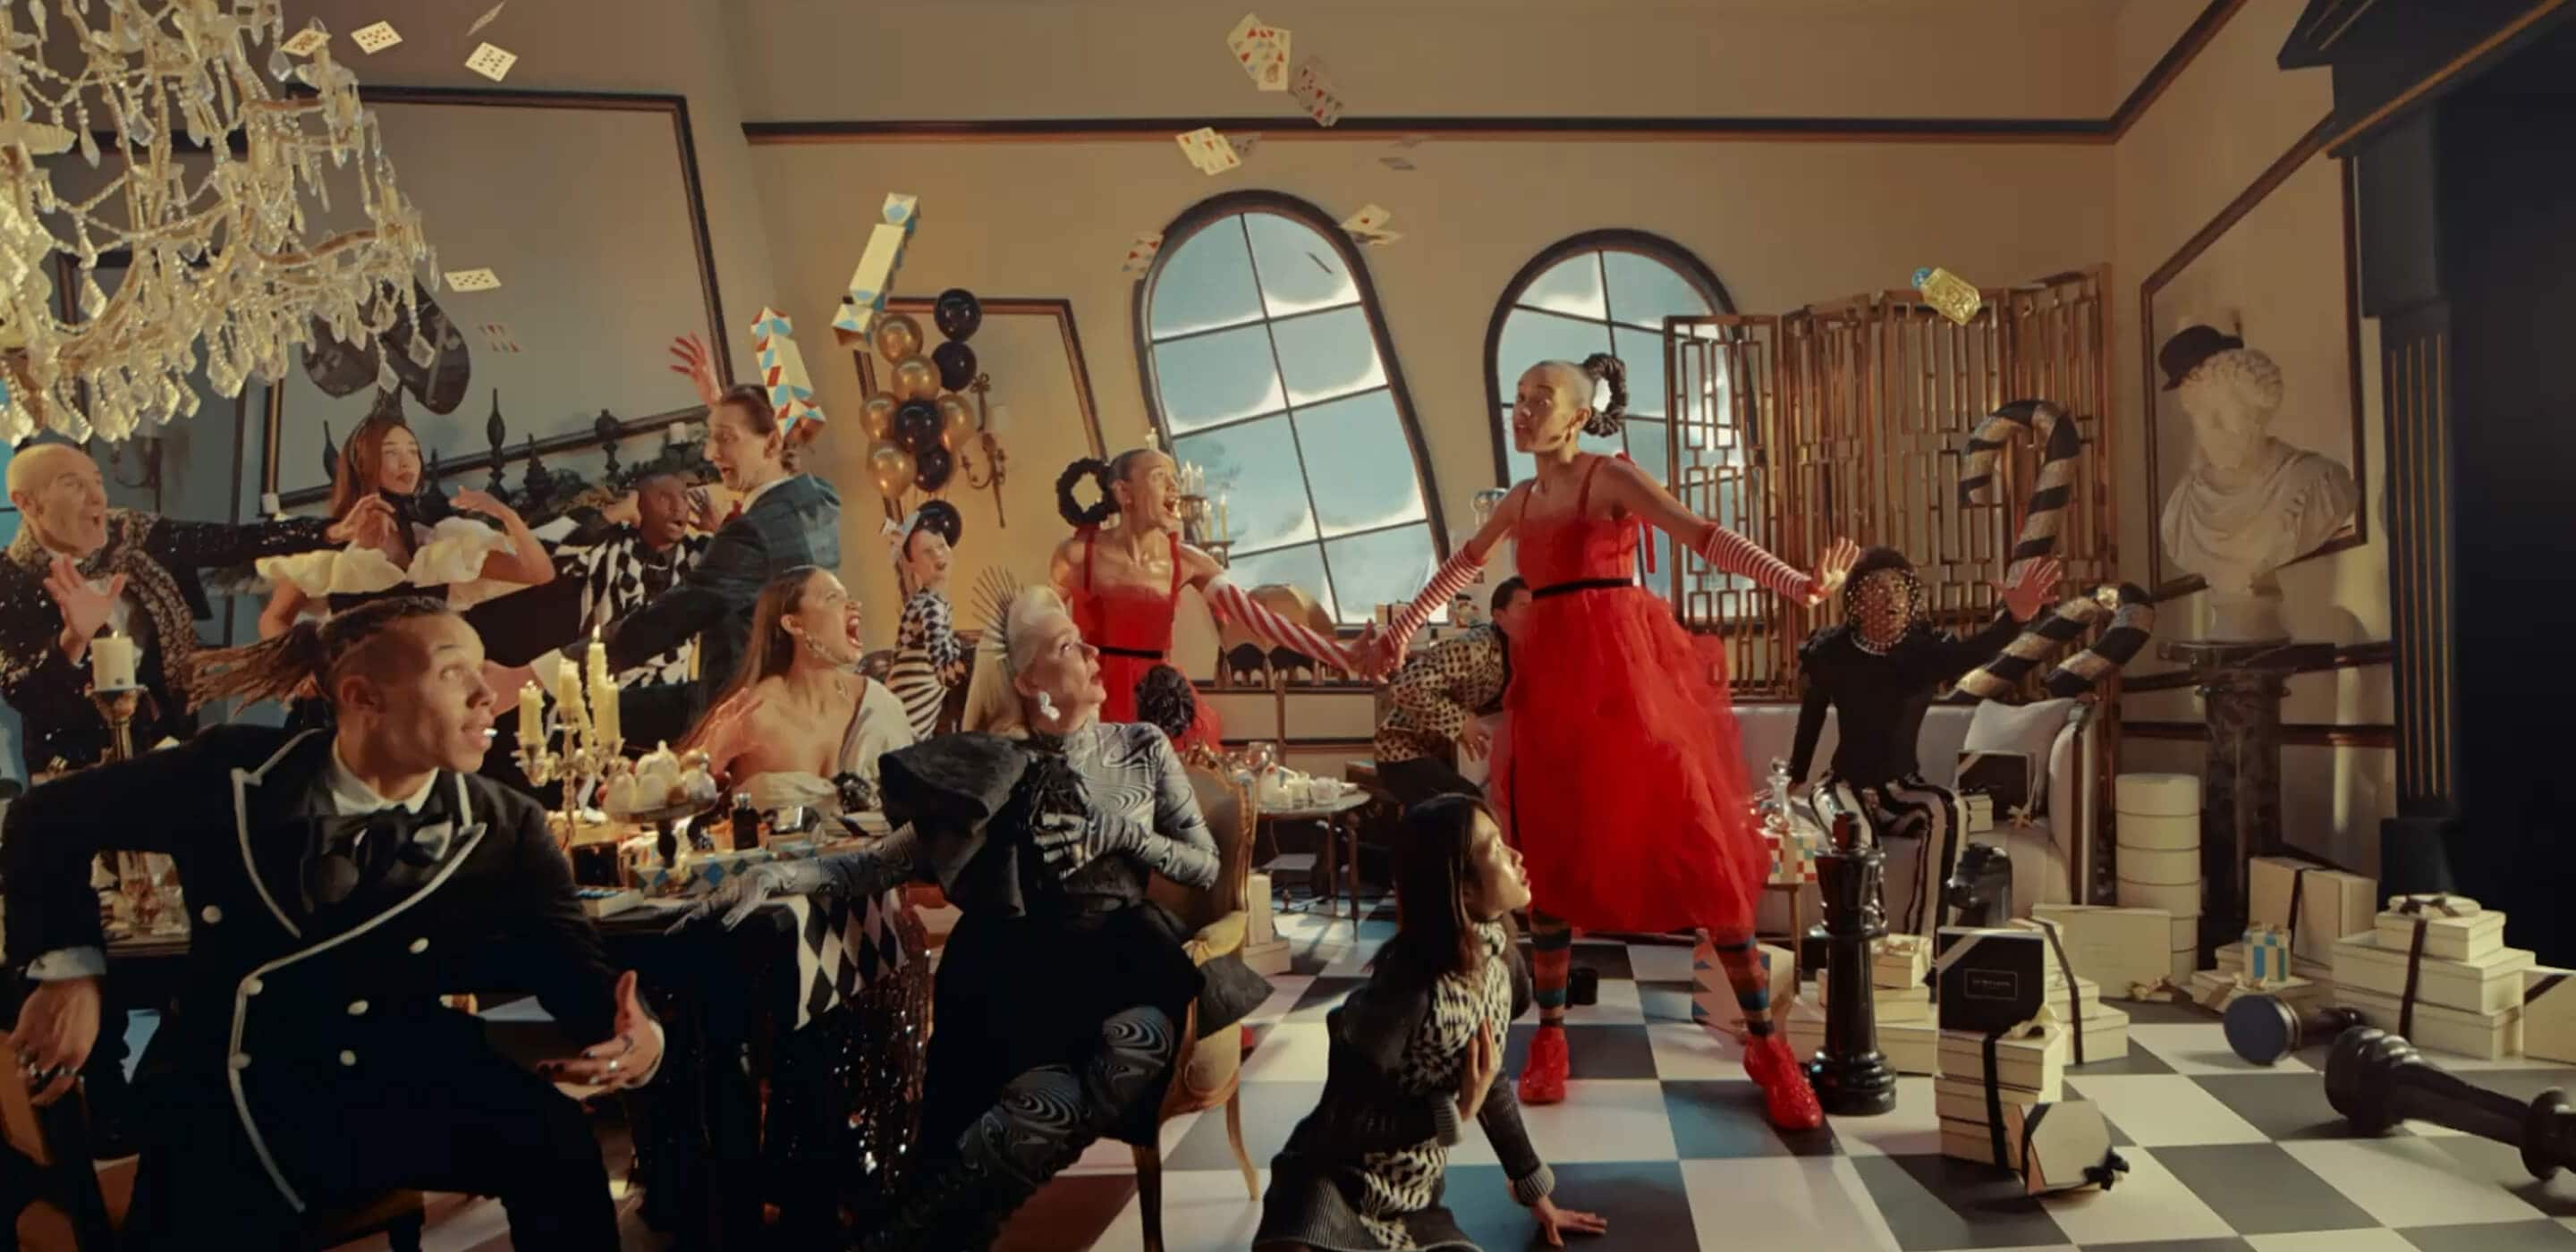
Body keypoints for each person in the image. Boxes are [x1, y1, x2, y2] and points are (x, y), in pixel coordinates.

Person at [3, 596, 660, 1250]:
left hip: (397, 1083)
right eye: (452, 671)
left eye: (481, 667)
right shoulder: (231, 774)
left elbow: (573, 968)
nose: (488, 692)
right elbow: (44, 817)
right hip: (230, 1092)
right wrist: (71, 973)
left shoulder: (505, 824)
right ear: (362, 697)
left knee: (557, 1141)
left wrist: (636, 1037)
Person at [680, 584, 1261, 1250]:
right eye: (1068, 647)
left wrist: (1124, 834)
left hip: (1124, 954)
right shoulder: (989, 766)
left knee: (1136, 1044)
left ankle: (917, 1230)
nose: (1093, 653)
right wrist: (776, 875)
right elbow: (876, 866)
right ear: (1029, 681)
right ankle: (937, 1225)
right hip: (1015, 973)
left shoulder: (1141, 746)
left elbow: (1203, 866)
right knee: (1027, 1106)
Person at [1370, 354, 1858, 1128]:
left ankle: (1768, 1048)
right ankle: (1551, 1038)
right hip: (1551, 696)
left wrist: (1798, 585)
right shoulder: (1521, 500)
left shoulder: (1611, 478)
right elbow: (1463, 564)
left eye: (1542, 398)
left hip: (1633, 683)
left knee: (1700, 844)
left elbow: (1701, 534)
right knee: (1551, 854)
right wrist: (1400, 630)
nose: (1524, 410)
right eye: (1519, 397)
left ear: (1578, 415)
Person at [1255, 795, 1606, 1251]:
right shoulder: (1407, 989)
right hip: (1328, 1194)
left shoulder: (1503, 968)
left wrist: (1536, 1194)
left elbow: (1488, 1082)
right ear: (1461, 888)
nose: (1517, 856)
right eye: (1496, 848)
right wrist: (1455, 1112)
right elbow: (1341, 1124)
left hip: (1411, 1201)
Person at [0, 443, 369, 775]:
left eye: (96, 481)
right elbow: (23, 693)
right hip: (75, 766)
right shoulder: (9, 579)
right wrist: (73, 640)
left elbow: (231, 540)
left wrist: (328, 532)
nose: (97, 498)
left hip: (167, 736)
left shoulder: (131, 534)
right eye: (73, 486)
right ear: (27, 503)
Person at [1788, 547, 2060, 937]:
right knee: (1854, 833)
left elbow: (1974, 651)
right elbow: (1812, 713)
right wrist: (1795, 775)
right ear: (1857, 600)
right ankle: (1869, 945)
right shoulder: (1831, 651)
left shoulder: (1924, 651)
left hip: (1901, 788)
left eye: (1899, 587)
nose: (1890, 596)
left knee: (1947, 809)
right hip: (1842, 786)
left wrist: (2015, 619)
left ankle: (1925, 940)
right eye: (1877, 587)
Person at [1048, 448, 1389, 733]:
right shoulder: (1076, 554)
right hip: (1093, 697)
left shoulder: (1191, 561)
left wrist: (1342, 654)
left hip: (1159, 701)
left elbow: (1258, 619)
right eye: (1159, 477)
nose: (1174, 487)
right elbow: (1041, 630)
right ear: (1124, 493)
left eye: (1175, 478)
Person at [602, 335, 839, 724]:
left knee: (587, 717)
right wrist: (722, 408)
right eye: (711, 437)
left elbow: (665, 621)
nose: (710, 454)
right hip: (789, 699)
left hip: (742, 709)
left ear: (772, 443)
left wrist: (549, 671)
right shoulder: (820, 500)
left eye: (724, 439)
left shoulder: (750, 534)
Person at [255, 412, 555, 632]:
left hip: (426, 679)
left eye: (413, 451)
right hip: (354, 682)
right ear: (363, 463)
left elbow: (538, 574)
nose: (407, 462)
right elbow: (274, 618)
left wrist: (506, 514)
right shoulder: (329, 545)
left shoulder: (435, 541)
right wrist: (302, 674)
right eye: (391, 453)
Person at [682, 567, 913, 811]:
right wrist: (715, 755)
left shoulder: (880, 706)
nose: (853, 605)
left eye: (848, 597)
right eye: (832, 598)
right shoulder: (752, 715)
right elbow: (678, 809)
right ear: (794, 624)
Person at [1371, 577, 1530, 809]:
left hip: (1452, 754)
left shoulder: (1526, 654)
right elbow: (1405, 687)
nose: (1534, 615)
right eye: (1524, 607)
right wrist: (1460, 721)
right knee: (1470, 806)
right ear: (1499, 616)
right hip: (1403, 751)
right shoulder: (1475, 647)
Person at [882, 500, 967, 740]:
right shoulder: (929, 606)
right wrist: (979, 659)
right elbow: (946, 674)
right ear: (911, 565)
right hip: (897, 729)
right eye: (927, 552)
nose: (938, 555)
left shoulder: (931, 603)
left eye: (941, 546)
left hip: (905, 728)